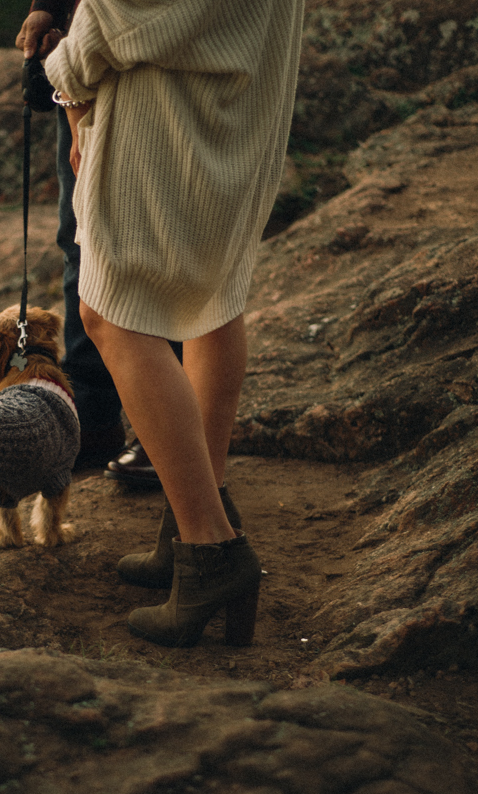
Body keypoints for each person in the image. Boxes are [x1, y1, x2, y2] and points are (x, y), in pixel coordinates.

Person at [41, 0, 306, 647]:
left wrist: (65, 65)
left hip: (172, 103)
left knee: (109, 314)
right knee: (215, 298)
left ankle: (209, 546)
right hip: (239, 84)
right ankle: (197, 509)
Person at [16, 3, 164, 483]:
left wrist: (72, 61)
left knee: (156, 243)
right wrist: (44, 9)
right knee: (79, 241)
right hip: (77, 64)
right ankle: (93, 420)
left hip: (141, 70)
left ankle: (164, 431)